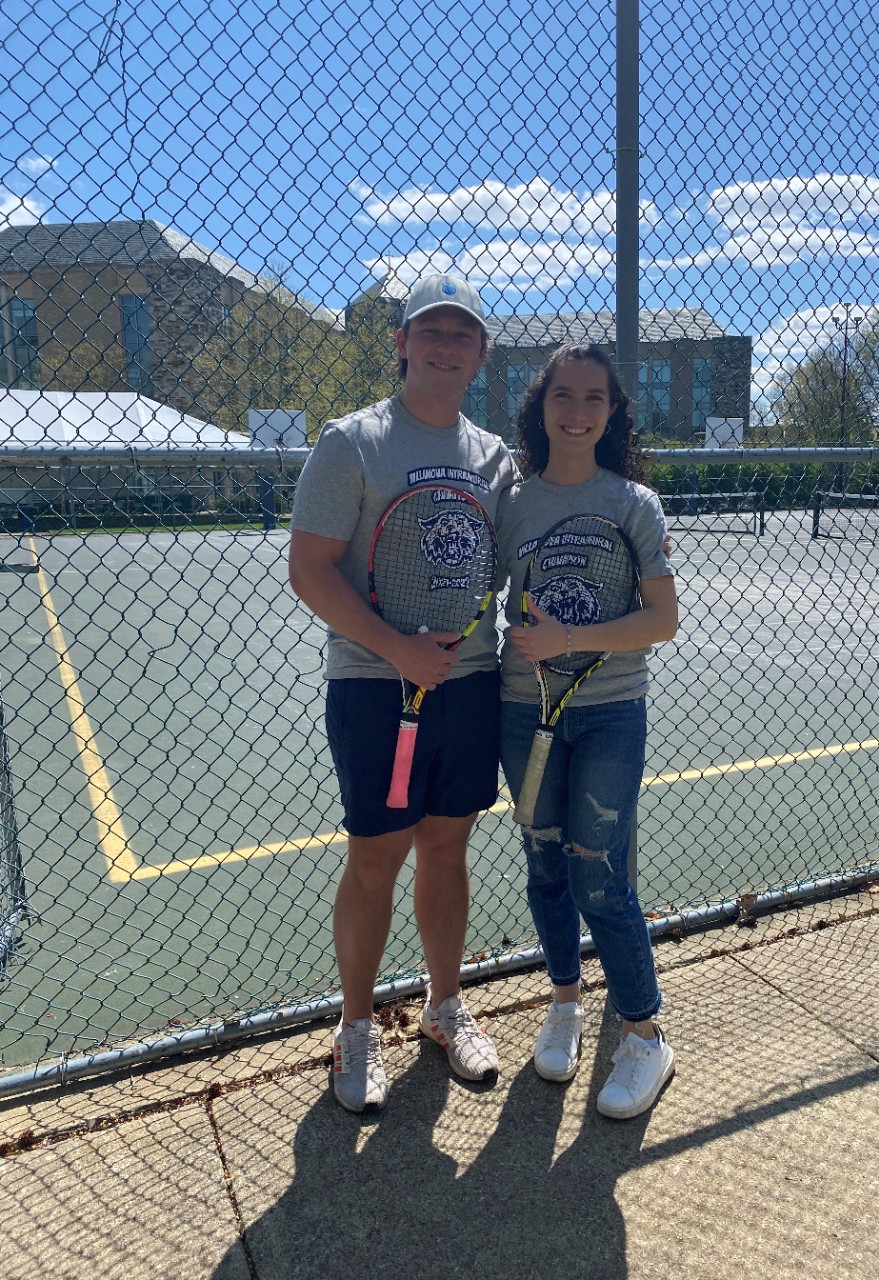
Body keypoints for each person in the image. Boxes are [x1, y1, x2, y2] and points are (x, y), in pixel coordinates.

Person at [288, 274, 519, 1114]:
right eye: (432, 331)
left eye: (462, 335)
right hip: (373, 689)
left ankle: (443, 1007)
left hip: (469, 686)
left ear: (480, 354)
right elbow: (309, 569)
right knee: (376, 857)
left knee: (448, 850)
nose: (446, 347)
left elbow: (509, 564)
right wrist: (397, 650)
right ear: (403, 343)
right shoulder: (351, 442)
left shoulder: (495, 459)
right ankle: (355, 1028)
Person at [497, 340, 679, 1120]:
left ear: (613, 413)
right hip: (521, 709)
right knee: (544, 865)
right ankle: (565, 1003)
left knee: (597, 875)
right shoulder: (512, 503)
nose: (577, 412)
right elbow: (482, 594)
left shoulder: (635, 504)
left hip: (610, 713)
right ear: (540, 408)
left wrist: (567, 640)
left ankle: (644, 1036)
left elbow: (662, 620)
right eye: (562, 396)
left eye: (593, 398)